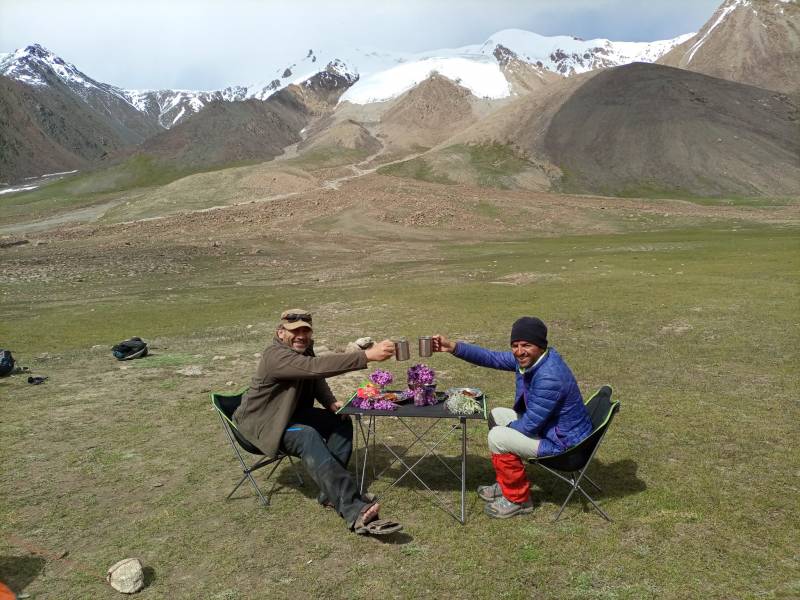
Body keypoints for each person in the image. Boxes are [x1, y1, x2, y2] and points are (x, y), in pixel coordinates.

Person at [234, 308, 402, 535]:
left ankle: (330, 494)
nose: (301, 335)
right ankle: (354, 509)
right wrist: (366, 356)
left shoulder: (304, 350)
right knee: (306, 435)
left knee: (339, 421)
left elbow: (315, 377)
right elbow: (312, 368)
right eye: (294, 331)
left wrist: (330, 402)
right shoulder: (275, 356)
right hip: (261, 425)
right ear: (280, 333)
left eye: (306, 330)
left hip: (288, 414)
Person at [432, 317, 592, 518]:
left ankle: (519, 499)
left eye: (526, 345)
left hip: (565, 447)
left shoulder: (549, 377)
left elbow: (529, 426)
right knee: (497, 414)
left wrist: (507, 429)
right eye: (515, 345)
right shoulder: (535, 360)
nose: (519, 351)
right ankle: (506, 482)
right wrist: (453, 347)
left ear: (541, 346)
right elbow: (491, 358)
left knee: (498, 436)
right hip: (553, 429)